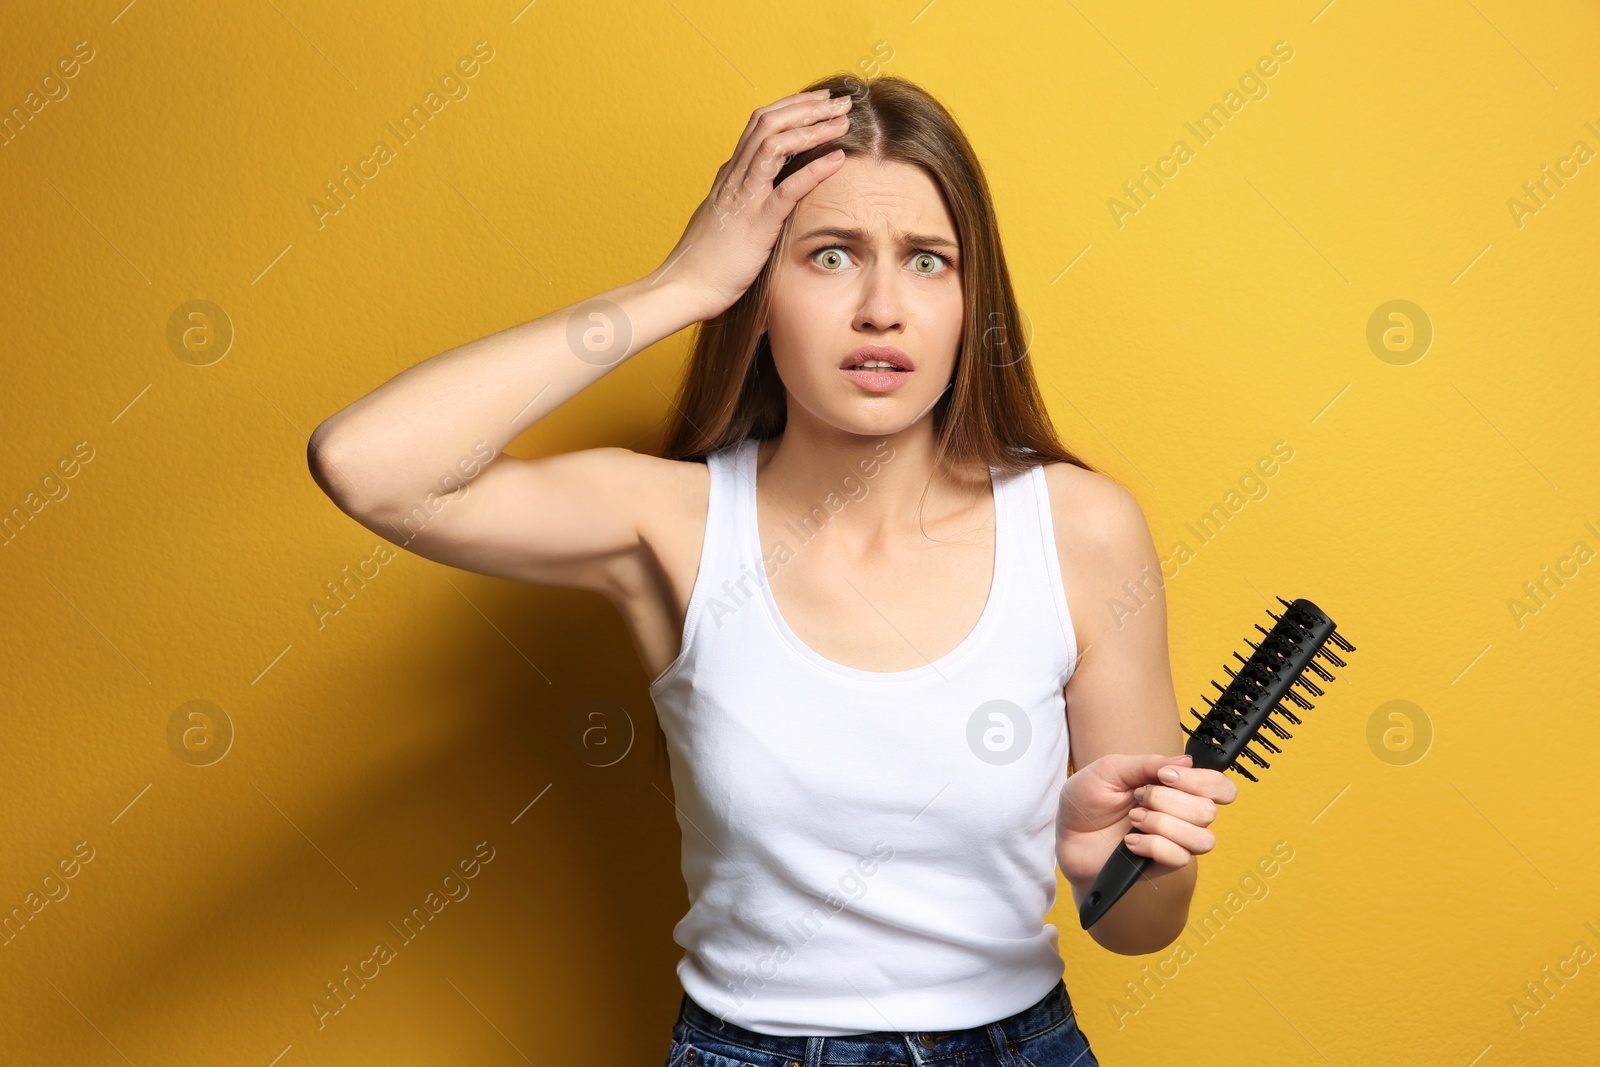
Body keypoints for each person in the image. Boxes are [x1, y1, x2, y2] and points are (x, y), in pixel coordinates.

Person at [307, 71, 1237, 1067]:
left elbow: (1138, 925)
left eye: (927, 261)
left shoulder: (1080, 529)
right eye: (829, 255)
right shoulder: (669, 524)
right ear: (759, 287)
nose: (882, 308)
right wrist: (681, 287)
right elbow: (367, 465)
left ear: (972, 301)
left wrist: (1123, 870)